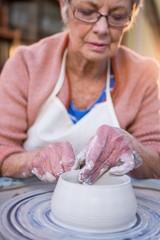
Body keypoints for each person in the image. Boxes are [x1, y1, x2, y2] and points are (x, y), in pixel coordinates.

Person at [0, 0, 160, 184]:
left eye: (117, 16)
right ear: (64, 9)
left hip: (106, 206)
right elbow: (3, 147)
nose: (101, 29)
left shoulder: (144, 74)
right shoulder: (26, 64)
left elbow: (156, 160)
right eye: (86, 12)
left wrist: (133, 148)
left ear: (130, 17)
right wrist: (32, 161)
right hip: (29, 198)